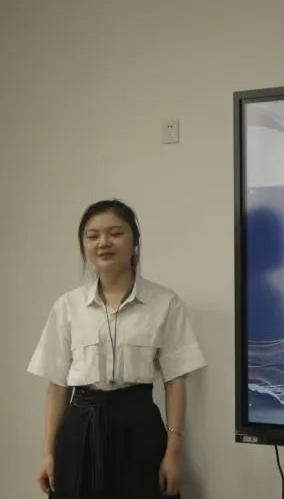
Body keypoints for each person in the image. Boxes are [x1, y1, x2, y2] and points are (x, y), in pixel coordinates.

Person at [27, 199, 207, 498]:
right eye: (92, 236)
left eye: (115, 233)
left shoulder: (165, 303)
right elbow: (57, 386)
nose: (103, 243)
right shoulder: (67, 306)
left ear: (134, 241)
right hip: (79, 432)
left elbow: (176, 381)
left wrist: (173, 453)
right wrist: (48, 453)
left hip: (139, 428)